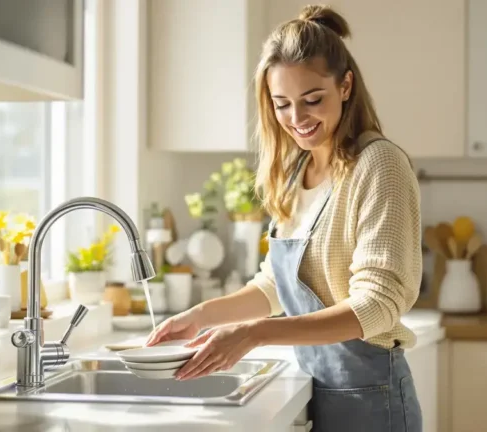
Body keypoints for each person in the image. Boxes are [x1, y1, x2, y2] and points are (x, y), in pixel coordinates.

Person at [146, 4, 423, 431]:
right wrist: (200, 315)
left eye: (313, 100)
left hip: (373, 398)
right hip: (321, 389)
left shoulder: (378, 165)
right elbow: (277, 284)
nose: (297, 120)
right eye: (282, 105)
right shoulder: (297, 171)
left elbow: (377, 306)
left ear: (346, 85)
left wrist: (254, 334)